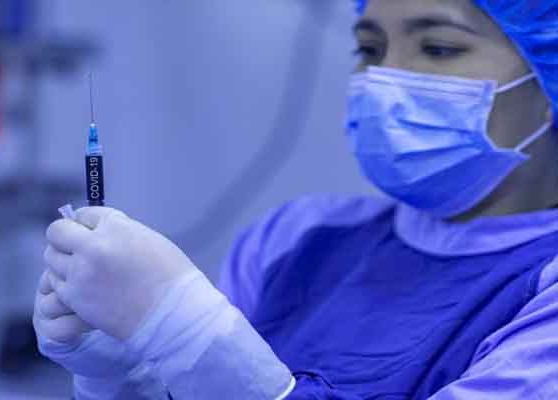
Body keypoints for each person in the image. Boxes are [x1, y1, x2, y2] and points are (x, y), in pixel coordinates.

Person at [33, 0, 558, 398]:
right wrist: (126, 378)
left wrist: (185, 332)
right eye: (369, 50)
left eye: (439, 48)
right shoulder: (297, 237)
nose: (385, 78)